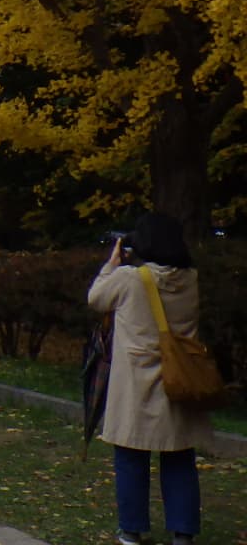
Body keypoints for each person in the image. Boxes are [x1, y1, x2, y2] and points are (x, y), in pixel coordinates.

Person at [89, 212, 210, 545]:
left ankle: (131, 529)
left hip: (137, 383)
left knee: (130, 456)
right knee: (179, 458)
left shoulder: (131, 279)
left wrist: (112, 263)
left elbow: (96, 298)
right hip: (179, 379)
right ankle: (183, 533)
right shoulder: (190, 278)